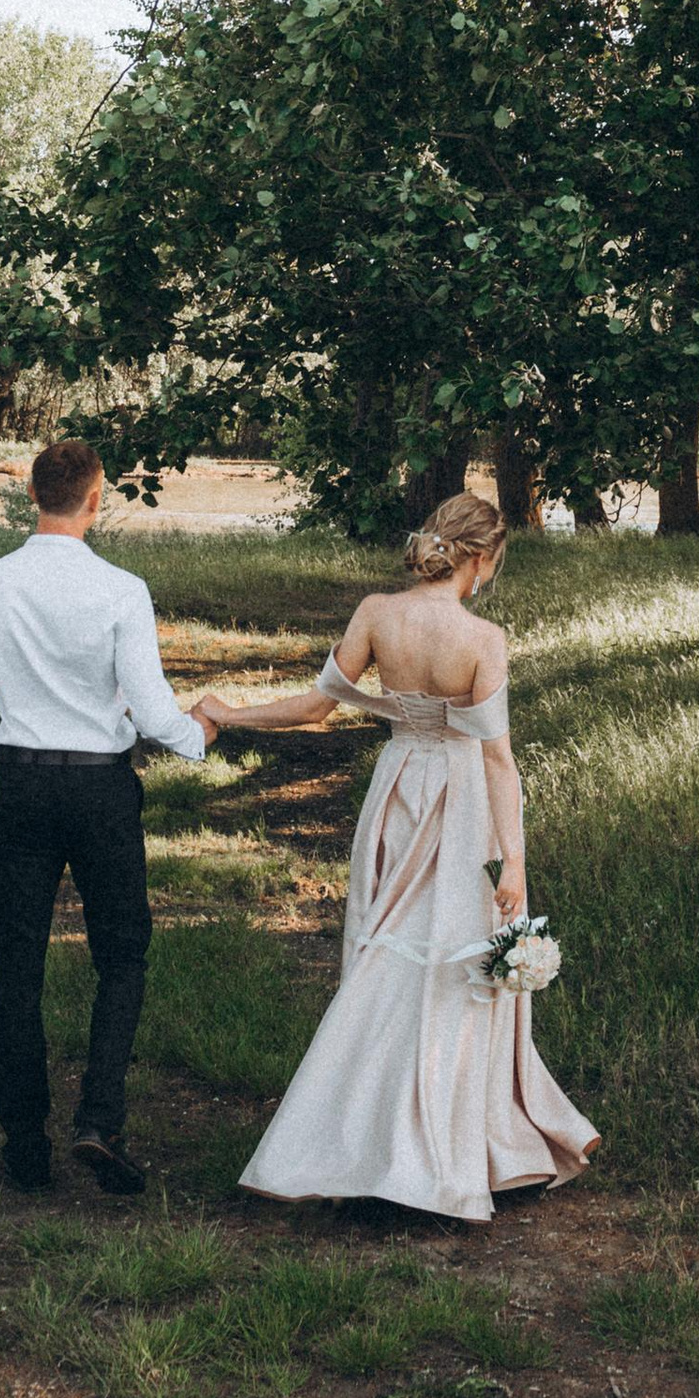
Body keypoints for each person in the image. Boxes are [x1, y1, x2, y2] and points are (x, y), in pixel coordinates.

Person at [195, 492, 597, 1224]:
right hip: (462, 798)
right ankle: (440, 1150)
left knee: (388, 947)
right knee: (455, 958)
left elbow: (316, 706)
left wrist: (231, 712)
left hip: (398, 791)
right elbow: (498, 759)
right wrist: (513, 862)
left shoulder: (377, 613)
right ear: (481, 558)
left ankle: (365, 1140)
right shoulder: (483, 638)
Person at [0, 437, 209, 1196]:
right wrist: (199, 734)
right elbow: (151, 707)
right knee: (121, 953)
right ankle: (100, 1119)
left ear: (31, 496)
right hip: (100, 791)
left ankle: (25, 1143)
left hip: (21, 788)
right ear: (96, 499)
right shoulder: (122, 589)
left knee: (15, 963)